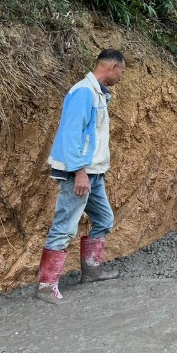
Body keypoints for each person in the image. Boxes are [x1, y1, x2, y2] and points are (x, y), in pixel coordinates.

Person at [36, 49, 126, 304]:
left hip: (93, 173)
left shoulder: (96, 93)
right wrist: (79, 172)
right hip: (79, 173)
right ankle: (46, 285)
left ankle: (92, 270)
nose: (120, 77)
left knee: (104, 219)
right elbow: (71, 134)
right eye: (121, 72)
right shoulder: (84, 92)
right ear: (112, 68)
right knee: (65, 226)